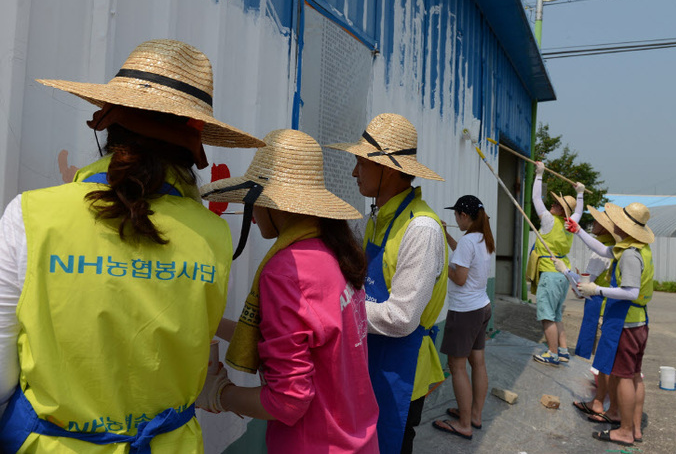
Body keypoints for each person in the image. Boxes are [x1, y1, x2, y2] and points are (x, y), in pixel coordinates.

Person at [0, 39, 263, 452]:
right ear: (194, 143)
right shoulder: (212, 235)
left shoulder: (31, 214)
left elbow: (0, 374)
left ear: (107, 121)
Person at [198, 129, 379, 454]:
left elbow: (287, 401)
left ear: (274, 204)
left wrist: (218, 392)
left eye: (255, 202)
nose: (252, 215)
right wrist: (210, 325)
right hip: (359, 440)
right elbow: (300, 338)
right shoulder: (333, 253)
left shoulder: (286, 271)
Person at [326, 113, 448, 454]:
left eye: (361, 164)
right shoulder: (375, 220)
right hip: (370, 356)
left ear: (389, 169)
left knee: (390, 444)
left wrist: (332, 309)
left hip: (402, 367)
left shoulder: (421, 229)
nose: (353, 173)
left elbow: (402, 318)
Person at [559, 202, 654, 447]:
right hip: (637, 322)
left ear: (626, 228)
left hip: (627, 322)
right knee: (633, 375)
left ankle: (624, 430)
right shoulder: (634, 248)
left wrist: (596, 289)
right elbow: (602, 249)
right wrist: (578, 231)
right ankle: (632, 426)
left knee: (623, 377)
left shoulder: (630, 255)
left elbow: (631, 292)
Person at [432, 195, 494, 441]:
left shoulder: (469, 240)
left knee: (456, 366)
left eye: (456, 215)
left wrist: (439, 260)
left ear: (464, 216)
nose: (455, 218)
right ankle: (475, 415)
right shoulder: (482, 237)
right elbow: (463, 253)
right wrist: (446, 235)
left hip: (465, 312)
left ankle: (464, 423)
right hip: (482, 307)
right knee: (477, 362)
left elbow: (459, 277)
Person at [526, 161, 584, 366]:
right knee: (556, 314)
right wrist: (580, 194)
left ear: (562, 210)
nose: (552, 205)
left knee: (547, 316)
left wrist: (539, 174)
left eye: (557, 204)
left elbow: (535, 198)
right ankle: (562, 351)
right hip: (562, 274)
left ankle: (551, 353)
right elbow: (579, 212)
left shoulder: (549, 220)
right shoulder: (571, 225)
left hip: (550, 273)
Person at [570, 206, 618, 423]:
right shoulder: (614, 247)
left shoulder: (604, 250)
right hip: (610, 306)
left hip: (602, 307)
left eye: (597, 221)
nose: (593, 224)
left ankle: (600, 401)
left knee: (604, 359)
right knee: (606, 359)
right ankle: (601, 398)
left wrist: (570, 276)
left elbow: (586, 283)